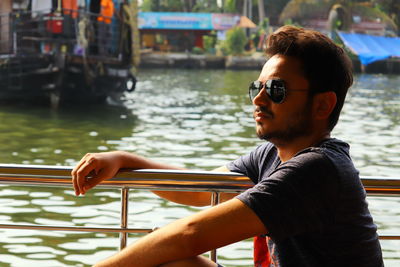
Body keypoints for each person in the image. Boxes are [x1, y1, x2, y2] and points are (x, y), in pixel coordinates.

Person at [71, 25, 383, 267]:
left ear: (322, 105)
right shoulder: (271, 156)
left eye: (276, 89)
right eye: (256, 88)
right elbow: (198, 191)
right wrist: (125, 160)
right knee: (165, 255)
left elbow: (190, 234)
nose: (259, 99)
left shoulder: (318, 169)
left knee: (167, 252)